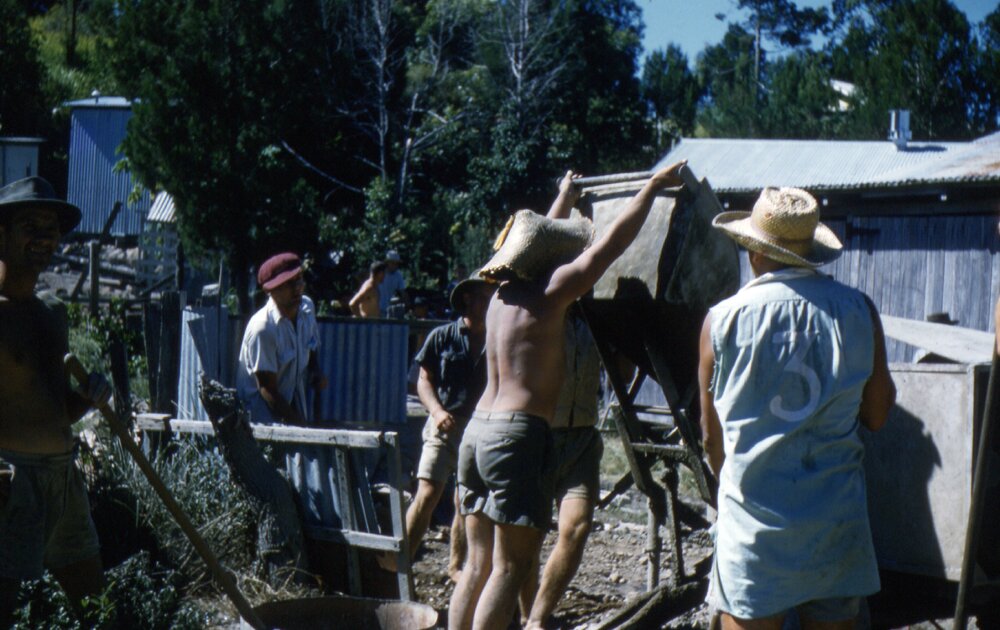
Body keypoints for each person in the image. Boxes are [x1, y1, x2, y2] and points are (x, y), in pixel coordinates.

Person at [449, 161, 687, 630]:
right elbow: (613, 243)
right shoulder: (551, 294)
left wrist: (564, 197)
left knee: (475, 566)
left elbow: (540, 239)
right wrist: (654, 186)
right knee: (509, 567)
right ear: (547, 260)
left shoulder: (499, 297)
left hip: (475, 433)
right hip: (515, 437)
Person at [698, 187, 896, 629]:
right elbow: (878, 415)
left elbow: (712, 438)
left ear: (753, 252)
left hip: (754, 530)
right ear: (810, 251)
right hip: (833, 526)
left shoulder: (722, 320)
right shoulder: (859, 310)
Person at [0, 176, 112, 626]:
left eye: (51, 228)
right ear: (1, 234)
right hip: (11, 483)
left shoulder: (51, 314)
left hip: (63, 481)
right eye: (31, 225)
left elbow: (53, 408)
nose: (44, 237)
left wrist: (88, 397)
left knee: (95, 610)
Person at [388, 273, 496, 578]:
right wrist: (436, 412)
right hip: (443, 423)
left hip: (481, 428)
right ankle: (400, 565)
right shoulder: (442, 336)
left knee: (466, 500)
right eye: (484, 297)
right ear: (467, 299)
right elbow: (423, 381)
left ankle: (456, 567)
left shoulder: (497, 340)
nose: (490, 304)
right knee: (427, 493)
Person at [519, 306, 603, 630]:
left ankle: (538, 619)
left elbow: (621, 373)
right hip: (541, 435)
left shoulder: (594, 320)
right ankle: (527, 615)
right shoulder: (541, 313)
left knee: (576, 527)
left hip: (582, 436)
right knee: (530, 535)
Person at [237, 252, 327, 426]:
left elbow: (311, 343)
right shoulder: (263, 328)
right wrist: (300, 428)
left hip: (290, 407)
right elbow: (267, 391)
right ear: (271, 290)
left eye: (299, 279)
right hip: (259, 421)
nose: (297, 288)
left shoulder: (307, 308)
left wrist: (315, 370)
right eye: (287, 284)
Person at [379, 250, 408, 315]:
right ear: (387, 262)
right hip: (377, 308)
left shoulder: (398, 275)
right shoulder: (380, 272)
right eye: (392, 263)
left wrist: (405, 303)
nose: (395, 265)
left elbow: (403, 292)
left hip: (389, 310)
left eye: (396, 263)